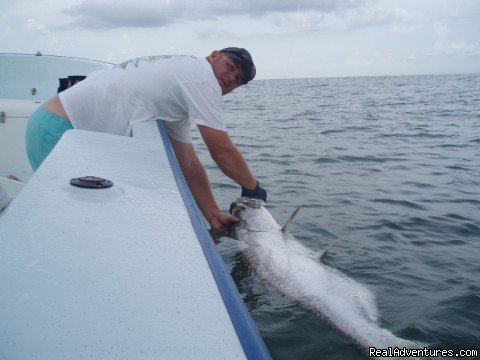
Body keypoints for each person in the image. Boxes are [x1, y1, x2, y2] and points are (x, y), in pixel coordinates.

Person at [25, 47, 267, 233]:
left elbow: (188, 161)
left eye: (238, 79)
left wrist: (213, 214)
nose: (231, 77)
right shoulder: (200, 76)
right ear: (213, 56)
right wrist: (253, 188)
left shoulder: (184, 84)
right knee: (69, 222)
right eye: (231, 66)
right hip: (60, 132)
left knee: (77, 216)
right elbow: (221, 151)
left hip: (58, 128)